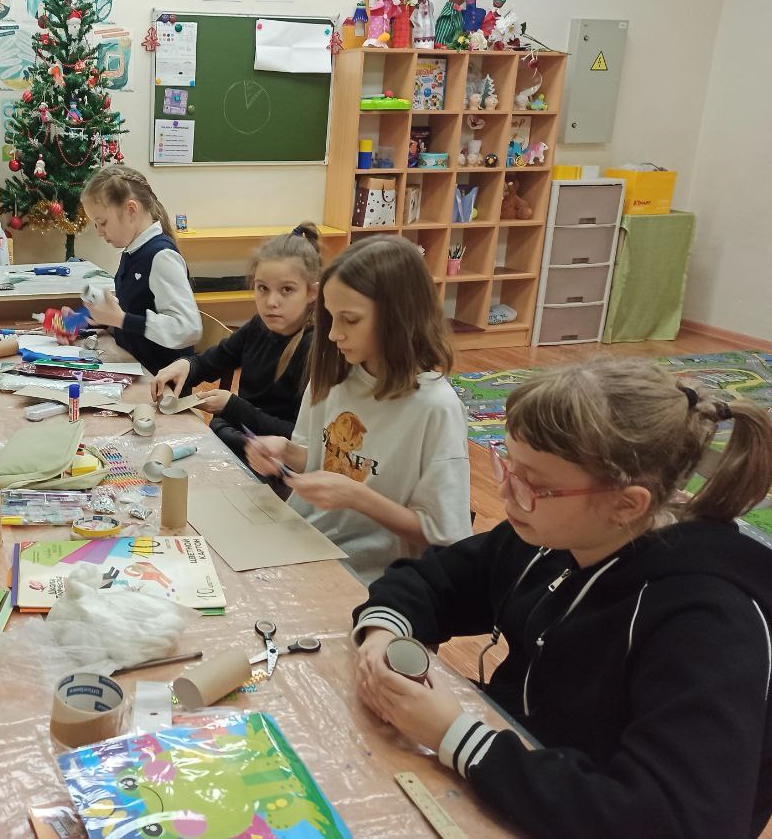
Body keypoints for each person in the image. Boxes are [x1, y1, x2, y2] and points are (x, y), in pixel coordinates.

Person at [351, 359, 772, 838]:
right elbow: (433, 580)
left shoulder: (708, 624)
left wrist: (456, 736)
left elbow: (674, 821)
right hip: (522, 768)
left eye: (533, 484)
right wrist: (382, 634)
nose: (506, 491)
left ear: (626, 503)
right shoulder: (556, 534)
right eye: (507, 464)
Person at [247, 235, 471, 581]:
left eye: (350, 320)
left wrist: (357, 497)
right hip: (299, 542)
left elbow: (444, 535)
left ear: (398, 319)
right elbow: (324, 463)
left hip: (366, 576)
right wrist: (286, 452)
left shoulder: (435, 408)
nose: (333, 334)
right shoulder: (334, 373)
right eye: (330, 317)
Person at [151, 223, 320, 462]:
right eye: (263, 288)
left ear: (312, 293)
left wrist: (233, 407)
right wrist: (187, 365)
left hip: (271, 462)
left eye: (286, 290)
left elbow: (299, 439)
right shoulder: (258, 326)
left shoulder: (315, 350)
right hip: (236, 441)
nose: (271, 302)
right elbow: (213, 361)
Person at [79, 166, 201, 373]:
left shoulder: (161, 257)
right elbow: (137, 310)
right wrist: (91, 320)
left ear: (130, 210)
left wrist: (120, 319)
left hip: (160, 381)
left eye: (102, 222)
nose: (99, 232)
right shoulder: (132, 251)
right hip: (135, 368)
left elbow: (188, 329)